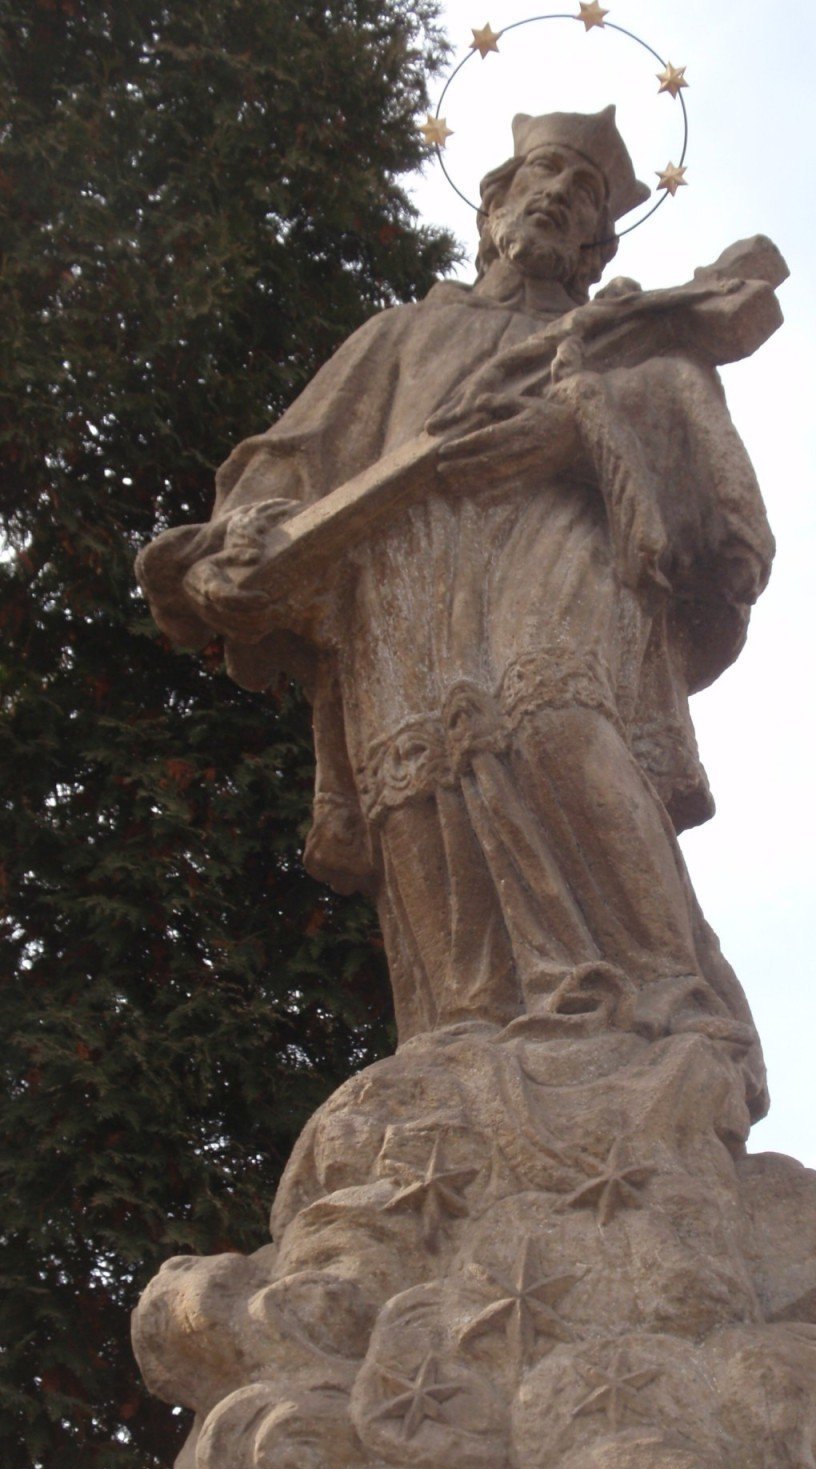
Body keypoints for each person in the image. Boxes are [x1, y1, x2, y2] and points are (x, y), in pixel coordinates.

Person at [137, 108, 779, 1117]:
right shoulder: (403, 334)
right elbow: (292, 462)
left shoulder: (624, 340)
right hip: (409, 587)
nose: (560, 193)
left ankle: (669, 999)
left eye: (584, 191)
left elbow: (710, 503)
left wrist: (576, 429)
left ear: (599, 243)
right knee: (422, 785)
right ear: (491, 209)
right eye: (543, 173)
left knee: (554, 723)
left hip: (559, 544)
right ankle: (470, 1034)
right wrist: (247, 533)